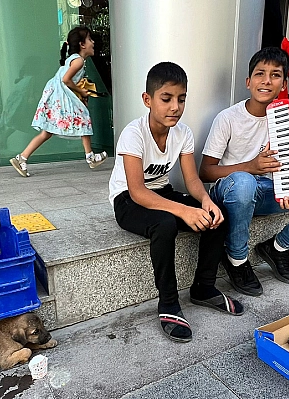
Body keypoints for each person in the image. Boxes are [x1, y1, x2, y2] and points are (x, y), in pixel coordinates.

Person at [109, 62, 244, 343]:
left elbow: (193, 181)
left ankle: (204, 288)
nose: (175, 107)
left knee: (216, 216)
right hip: (127, 200)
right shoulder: (133, 133)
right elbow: (137, 192)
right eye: (166, 98)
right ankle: (168, 302)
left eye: (181, 99)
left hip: (162, 192)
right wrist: (183, 210)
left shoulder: (183, 133)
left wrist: (206, 201)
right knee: (165, 223)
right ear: (147, 100)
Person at [199, 47, 289, 297]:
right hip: (232, 192)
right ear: (248, 82)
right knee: (245, 182)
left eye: (275, 75)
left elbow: (286, 166)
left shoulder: (284, 118)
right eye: (260, 74)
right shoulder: (228, 118)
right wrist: (250, 167)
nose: (267, 81)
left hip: (265, 191)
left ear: (283, 83)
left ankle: (278, 247)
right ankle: (236, 259)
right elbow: (206, 172)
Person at [10, 26, 107, 177]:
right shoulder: (79, 61)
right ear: (82, 44)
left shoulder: (73, 60)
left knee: (47, 132)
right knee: (85, 118)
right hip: (61, 95)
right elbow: (66, 80)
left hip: (56, 95)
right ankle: (90, 157)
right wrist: (81, 92)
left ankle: (22, 158)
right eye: (90, 39)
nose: (92, 42)